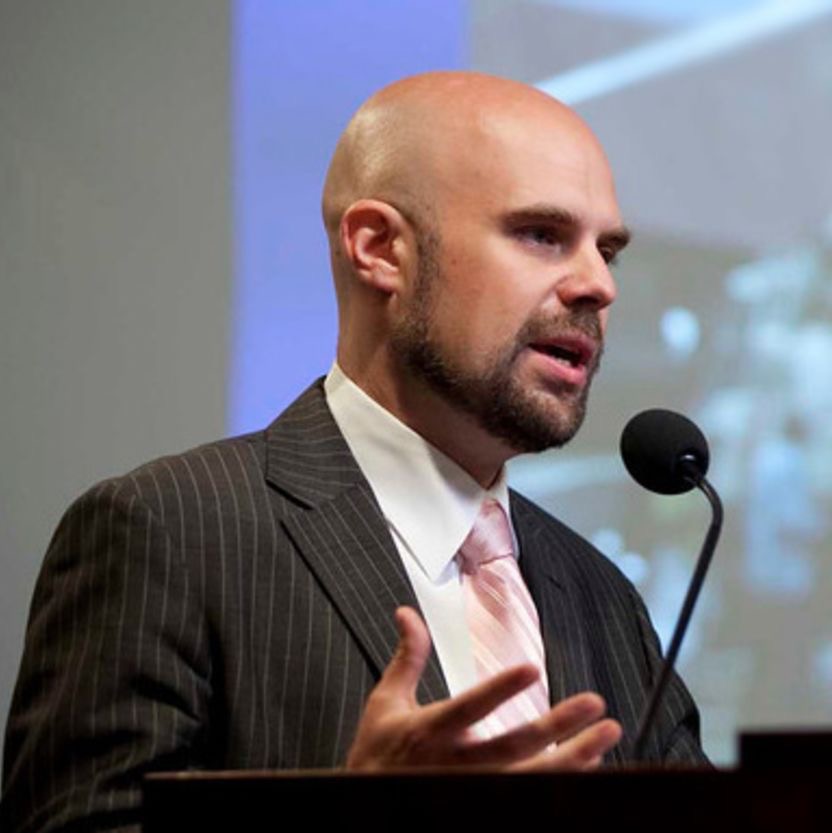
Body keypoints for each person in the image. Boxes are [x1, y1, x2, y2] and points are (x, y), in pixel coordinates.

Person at [2, 71, 707, 833]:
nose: (598, 284)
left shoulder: (605, 596)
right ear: (380, 249)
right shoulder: (170, 532)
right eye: (541, 234)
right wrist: (353, 821)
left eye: (608, 250)